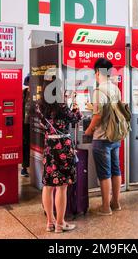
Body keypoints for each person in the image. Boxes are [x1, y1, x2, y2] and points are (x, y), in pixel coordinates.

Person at [38, 82, 82, 233]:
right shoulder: (62, 107)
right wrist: (76, 108)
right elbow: (75, 118)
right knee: (62, 187)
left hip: (49, 147)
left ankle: (50, 222)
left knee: (48, 186)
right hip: (63, 146)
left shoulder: (40, 107)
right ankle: (60, 223)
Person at [85, 58, 122, 216]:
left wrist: (89, 129)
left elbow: (98, 115)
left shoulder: (99, 91)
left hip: (102, 137)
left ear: (98, 72)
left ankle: (106, 207)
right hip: (115, 136)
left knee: (104, 173)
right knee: (116, 170)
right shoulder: (116, 89)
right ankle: (116, 203)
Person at [21, 74, 31, 177]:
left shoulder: (37, 93)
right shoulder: (23, 93)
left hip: (34, 124)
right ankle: (24, 167)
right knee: (25, 145)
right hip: (25, 124)